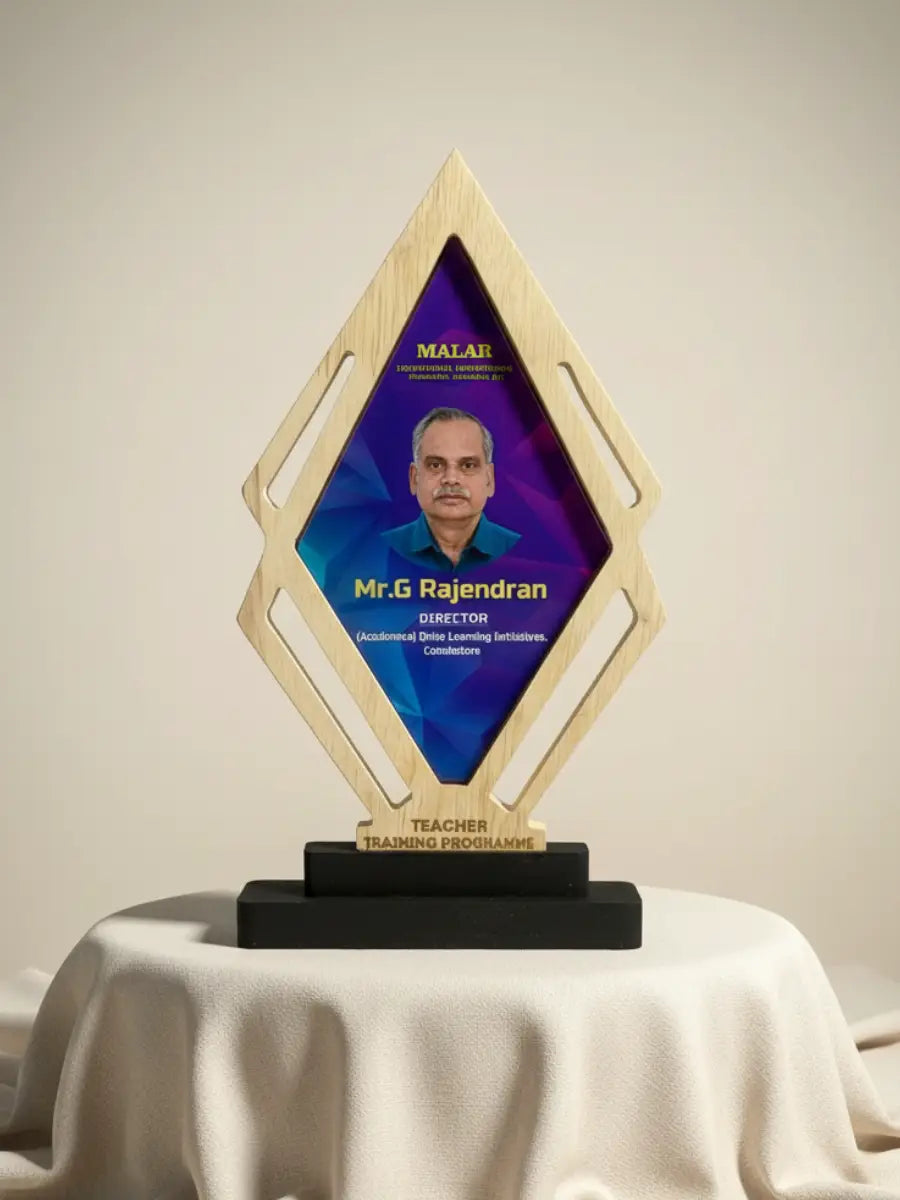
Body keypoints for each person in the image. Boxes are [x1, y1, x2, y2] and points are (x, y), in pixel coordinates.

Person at [382, 407, 520, 572]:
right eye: (436, 465)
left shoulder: (526, 552)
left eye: (468, 465)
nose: (451, 479)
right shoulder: (378, 550)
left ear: (489, 480)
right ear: (414, 478)